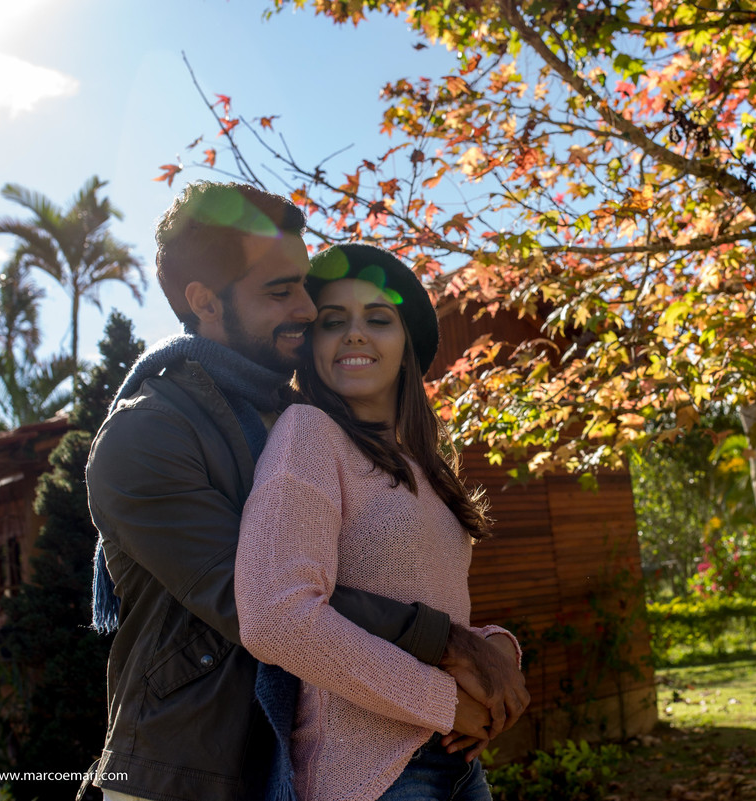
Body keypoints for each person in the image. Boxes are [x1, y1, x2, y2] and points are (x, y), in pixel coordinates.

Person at [84, 183, 528, 801]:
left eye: (302, 284)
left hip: (293, 755)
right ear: (204, 301)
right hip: (187, 771)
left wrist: (490, 649)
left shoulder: (305, 417)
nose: (305, 307)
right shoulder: (148, 435)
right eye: (279, 290)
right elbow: (260, 601)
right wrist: (448, 654)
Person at [234, 242, 515, 801]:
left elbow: (430, 600)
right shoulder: (308, 434)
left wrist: (499, 649)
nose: (355, 334)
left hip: (459, 765)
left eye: (378, 319)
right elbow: (275, 615)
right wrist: (444, 701)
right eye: (333, 321)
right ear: (312, 345)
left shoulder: (425, 467)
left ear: (406, 343)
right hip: (371, 778)